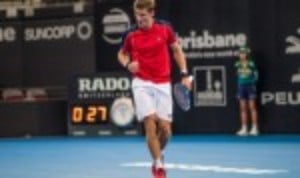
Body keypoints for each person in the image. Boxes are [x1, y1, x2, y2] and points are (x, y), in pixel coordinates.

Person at [117, 0, 191, 177]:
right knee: (150, 122)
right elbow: (121, 53)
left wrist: (184, 74)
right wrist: (128, 65)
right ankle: (158, 166)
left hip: (163, 83)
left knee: (166, 130)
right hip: (141, 82)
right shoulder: (130, 34)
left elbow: (177, 50)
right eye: (137, 15)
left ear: (151, 13)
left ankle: (158, 153)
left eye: (143, 15)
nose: (139, 19)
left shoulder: (165, 29)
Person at [235, 46, 259, 136]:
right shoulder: (237, 64)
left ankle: (254, 128)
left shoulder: (251, 64)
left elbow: (256, 75)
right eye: (240, 53)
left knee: (252, 107)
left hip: (250, 86)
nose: (242, 54)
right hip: (241, 86)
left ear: (247, 54)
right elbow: (238, 75)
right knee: (242, 107)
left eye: (243, 53)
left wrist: (253, 83)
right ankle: (244, 128)